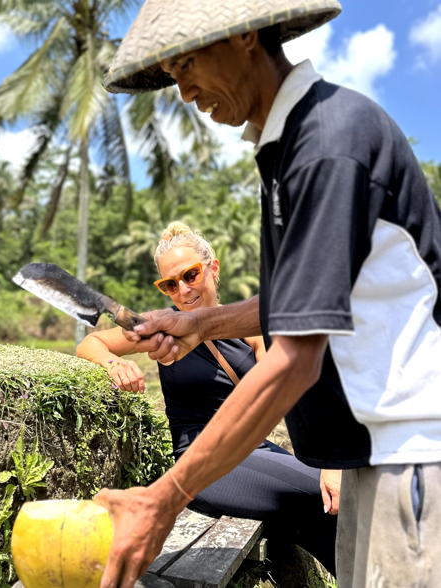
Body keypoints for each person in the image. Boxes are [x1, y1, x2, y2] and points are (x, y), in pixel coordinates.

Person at [92, 1, 441, 588]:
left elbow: (294, 358)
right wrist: (202, 326)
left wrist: (165, 498)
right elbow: (311, 304)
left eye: (187, 65)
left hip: (408, 450)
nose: (184, 92)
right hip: (371, 454)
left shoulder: (326, 144)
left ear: (245, 35)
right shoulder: (287, 150)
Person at [78, 221, 338, 573]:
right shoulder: (163, 328)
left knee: (334, 501)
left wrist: (328, 460)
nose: (183, 290)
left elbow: (286, 393)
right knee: (318, 501)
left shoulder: (250, 333)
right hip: (205, 465)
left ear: (213, 268)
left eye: (190, 275)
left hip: (255, 448)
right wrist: (113, 364)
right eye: (170, 284)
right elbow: (90, 343)